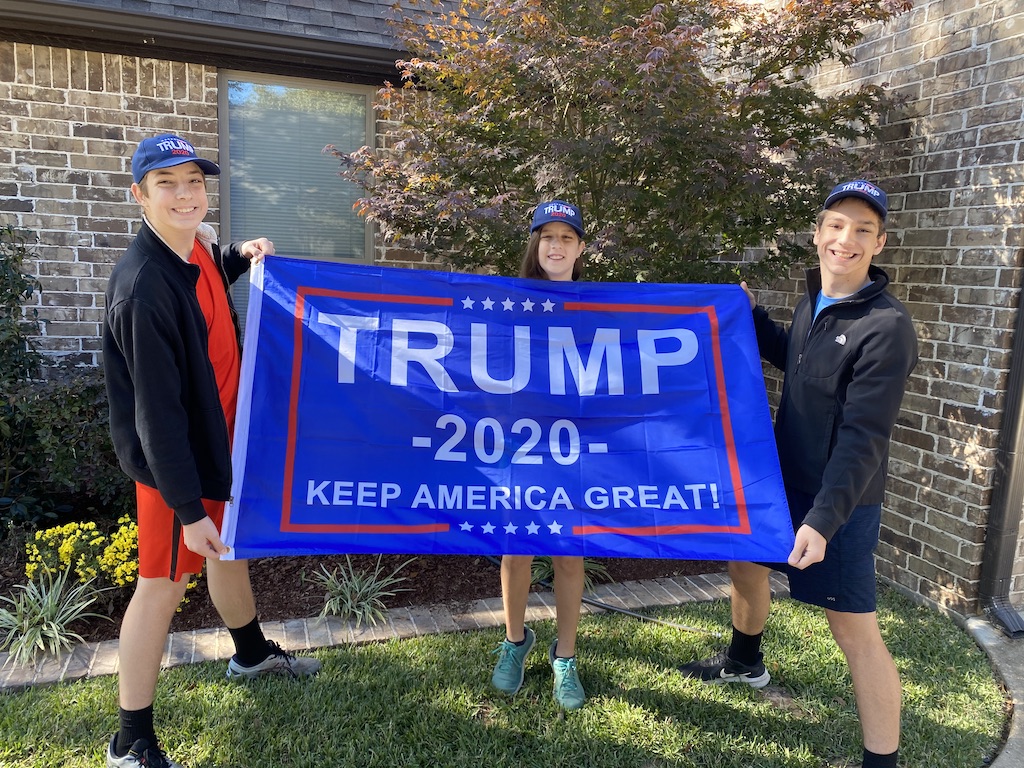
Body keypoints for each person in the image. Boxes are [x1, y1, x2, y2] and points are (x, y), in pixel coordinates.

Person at [678, 180, 918, 768]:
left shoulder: (886, 329)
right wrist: (750, 314)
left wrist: (823, 521)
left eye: (863, 230)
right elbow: (798, 360)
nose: (846, 239)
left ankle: (881, 761)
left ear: (879, 243)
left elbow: (865, 439)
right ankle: (745, 661)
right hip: (780, 483)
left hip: (837, 502)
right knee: (745, 563)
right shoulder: (816, 301)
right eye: (836, 225)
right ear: (817, 234)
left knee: (854, 631)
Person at [102, 134, 321, 768]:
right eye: (166, 183)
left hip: (224, 447)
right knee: (160, 588)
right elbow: (157, 418)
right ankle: (130, 740)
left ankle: (250, 654)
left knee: (232, 554)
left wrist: (237, 255)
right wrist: (188, 509)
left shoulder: (192, 250)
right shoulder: (142, 288)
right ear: (139, 195)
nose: (184, 193)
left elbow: (204, 278)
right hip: (179, 468)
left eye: (194, 181)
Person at [489, 200, 588, 710]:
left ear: (580, 248)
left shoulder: (599, 307)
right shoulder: (508, 303)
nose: (555, 246)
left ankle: (565, 655)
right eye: (546, 236)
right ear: (534, 244)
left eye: (566, 238)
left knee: (569, 553)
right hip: (518, 444)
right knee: (517, 549)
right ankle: (514, 641)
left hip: (575, 446)